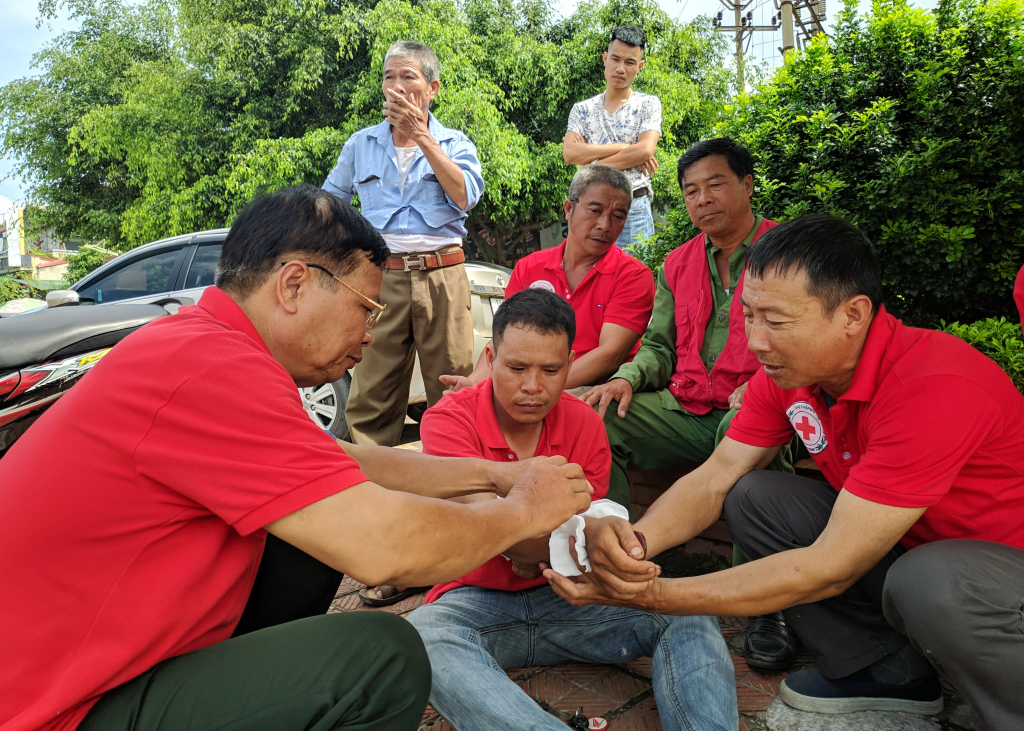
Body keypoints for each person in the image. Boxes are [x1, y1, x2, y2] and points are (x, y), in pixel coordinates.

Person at [0, 185, 594, 731]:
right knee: (382, 658)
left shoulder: (196, 343)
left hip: (75, 667)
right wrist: (522, 510)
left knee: (301, 544)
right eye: (367, 308)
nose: (369, 334)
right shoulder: (213, 370)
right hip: (56, 708)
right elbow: (388, 549)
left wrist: (496, 473)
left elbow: (341, 463)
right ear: (293, 285)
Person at [547, 214, 1024, 731]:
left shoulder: (933, 387)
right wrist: (634, 547)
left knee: (932, 581)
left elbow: (832, 564)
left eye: (775, 321)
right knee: (755, 496)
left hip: (997, 574)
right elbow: (716, 476)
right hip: (909, 544)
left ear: (853, 315)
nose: (755, 341)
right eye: (748, 316)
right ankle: (888, 671)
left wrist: (652, 595)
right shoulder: (790, 376)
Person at [405, 288, 737, 731]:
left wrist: (570, 544)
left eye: (551, 370)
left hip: (574, 599)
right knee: (423, 637)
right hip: (472, 601)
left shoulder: (584, 422)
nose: (531, 387)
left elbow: (584, 533)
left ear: (571, 362)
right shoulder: (449, 420)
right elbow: (494, 529)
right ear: (491, 356)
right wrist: (565, 540)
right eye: (516, 367)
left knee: (688, 611)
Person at [582, 137, 795, 668]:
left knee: (746, 435)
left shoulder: (789, 252)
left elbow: (806, 340)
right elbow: (657, 346)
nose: (702, 199)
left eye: (715, 184)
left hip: (763, 411)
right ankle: (622, 555)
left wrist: (771, 382)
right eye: (690, 191)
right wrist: (627, 379)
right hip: (690, 407)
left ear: (747, 185)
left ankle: (764, 603)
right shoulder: (676, 264)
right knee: (600, 418)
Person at [323, 40, 483, 447]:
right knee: (371, 394)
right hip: (380, 282)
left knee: (456, 391)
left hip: (442, 277)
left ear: (433, 88)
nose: (396, 87)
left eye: (407, 77)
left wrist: (421, 136)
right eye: (388, 77)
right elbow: (328, 207)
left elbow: (465, 196)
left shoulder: (456, 144)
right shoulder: (360, 144)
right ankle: (372, 492)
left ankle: (461, 487)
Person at [442, 165, 655, 395]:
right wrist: (473, 383)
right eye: (595, 210)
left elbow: (609, 356)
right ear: (568, 208)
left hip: (595, 391)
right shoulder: (529, 267)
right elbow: (504, 340)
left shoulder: (633, 276)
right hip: (532, 388)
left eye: (618, 216)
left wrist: (541, 387)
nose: (605, 225)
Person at [563, 25, 661, 251]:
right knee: (590, 280)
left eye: (630, 62)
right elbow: (570, 153)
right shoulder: (582, 110)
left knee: (633, 280)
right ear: (605, 58)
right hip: (590, 207)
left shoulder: (648, 104)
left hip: (633, 206)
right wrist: (627, 148)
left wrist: (590, 166)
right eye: (615, 59)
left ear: (640, 66)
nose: (621, 68)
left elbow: (645, 151)